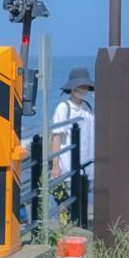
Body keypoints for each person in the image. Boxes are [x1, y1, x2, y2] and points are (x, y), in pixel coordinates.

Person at [51, 67, 96, 216]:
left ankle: (78, 229)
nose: (84, 89)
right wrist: (55, 165)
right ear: (72, 88)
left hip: (87, 165)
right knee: (66, 202)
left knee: (82, 199)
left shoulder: (87, 107)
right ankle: (67, 229)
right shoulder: (63, 108)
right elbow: (56, 136)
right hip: (67, 164)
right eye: (80, 86)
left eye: (86, 86)